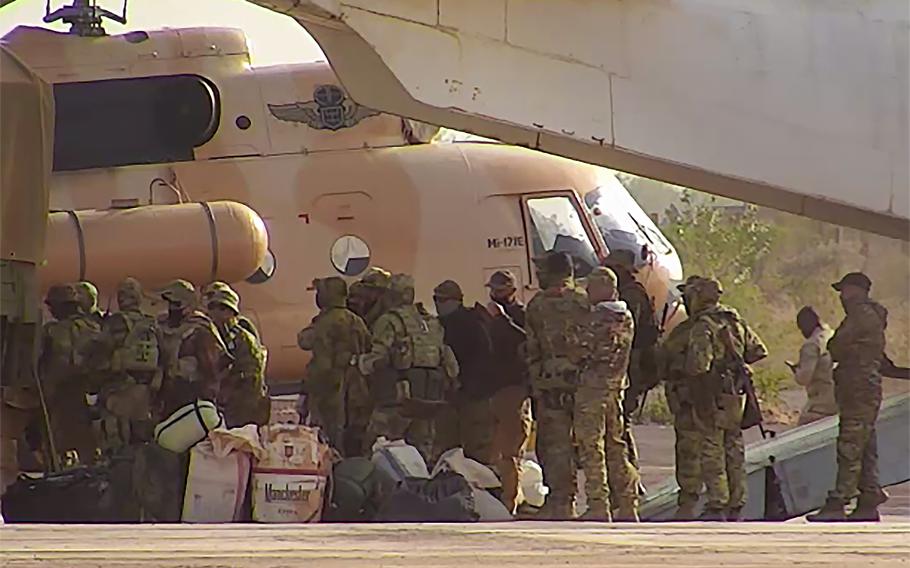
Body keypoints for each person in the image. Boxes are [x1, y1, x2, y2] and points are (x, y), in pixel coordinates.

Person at [682, 276, 767, 521]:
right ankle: (737, 502)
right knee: (734, 448)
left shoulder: (704, 325)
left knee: (711, 448)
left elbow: (698, 365)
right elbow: (758, 350)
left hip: (713, 393)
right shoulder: (735, 321)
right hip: (735, 393)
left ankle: (717, 503)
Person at [809, 272, 889, 522]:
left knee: (850, 444)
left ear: (856, 290)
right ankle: (868, 496)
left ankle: (839, 500)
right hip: (862, 387)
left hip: (858, 387)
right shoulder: (871, 316)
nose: (842, 296)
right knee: (865, 444)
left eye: (844, 290)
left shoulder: (860, 316)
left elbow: (836, 346)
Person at [358, 273, 459, 463]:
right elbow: (447, 358)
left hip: (399, 399)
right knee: (422, 450)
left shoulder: (389, 320)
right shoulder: (429, 321)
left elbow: (379, 356)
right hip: (428, 397)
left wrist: (359, 363)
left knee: (377, 446)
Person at [524, 252, 590, 520]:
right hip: (584, 385)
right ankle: (605, 502)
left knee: (554, 445)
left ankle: (561, 503)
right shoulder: (585, 301)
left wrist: (536, 384)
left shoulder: (538, 305)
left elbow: (532, 350)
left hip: (552, 386)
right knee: (592, 443)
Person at [579, 266, 639, 521]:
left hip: (592, 390)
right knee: (616, 446)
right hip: (616, 389)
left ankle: (598, 504)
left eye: (591, 287)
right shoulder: (625, 317)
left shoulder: (598, 319)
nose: (587, 292)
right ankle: (628, 504)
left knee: (591, 446)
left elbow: (582, 351)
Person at [82, 277, 161, 452]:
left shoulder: (115, 322)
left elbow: (99, 350)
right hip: (145, 392)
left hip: (118, 390)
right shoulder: (151, 322)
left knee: (116, 443)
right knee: (141, 441)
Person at [605, 250, 659, 494]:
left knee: (618, 427)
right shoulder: (631, 292)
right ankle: (630, 484)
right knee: (619, 426)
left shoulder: (630, 296)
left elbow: (626, 336)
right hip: (629, 371)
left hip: (630, 371)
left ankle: (629, 484)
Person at [298, 277, 370, 453]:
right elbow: (368, 346)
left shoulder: (324, 322)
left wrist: (308, 390)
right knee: (353, 435)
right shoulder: (356, 321)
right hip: (356, 388)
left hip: (328, 389)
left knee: (328, 439)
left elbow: (305, 342)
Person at [38, 283, 102, 465]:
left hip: (60, 398)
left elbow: (39, 362)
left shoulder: (51, 331)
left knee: (57, 450)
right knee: (89, 449)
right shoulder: (95, 327)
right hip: (89, 397)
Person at [433, 279, 496, 463]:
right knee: (449, 450)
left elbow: (483, 359)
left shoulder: (471, 324)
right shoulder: (441, 324)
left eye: (441, 300)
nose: (437, 304)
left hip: (474, 396)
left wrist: (466, 386)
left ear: (455, 300)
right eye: (435, 299)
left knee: (476, 450)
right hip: (454, 395)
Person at [483, 278, 531, 514]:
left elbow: (524, 340)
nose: (495, 294)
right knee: (494, 449)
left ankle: (510, 501)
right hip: (495, 388)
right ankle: (502, 497)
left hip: (514, 388)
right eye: (493, 290)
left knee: (510, 451)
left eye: (500, 290)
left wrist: (501, 319)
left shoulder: (520, 315)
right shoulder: (492, 317)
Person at [657, 278, 702, 520]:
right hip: (718, 399)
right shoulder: (731, 322)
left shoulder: (686, 331)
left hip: (690, 399)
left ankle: (689, 504)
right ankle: (726, 501)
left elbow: (663, 363)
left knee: (689, 452)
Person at [155, 279, 230, 419]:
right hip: (166, 395)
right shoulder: (162, 325)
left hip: (192, 396)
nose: (172, 308)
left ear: (188, 304)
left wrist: (209, 402)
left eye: (176, 304)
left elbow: (213, 369)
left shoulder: (200, 329)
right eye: (170, 303)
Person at [206, 284, 270, 429]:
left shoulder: (244, 340)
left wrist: (225, 389)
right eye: (212, 308)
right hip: (230, 405)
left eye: (219, 309)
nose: (213, 314)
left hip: (245, 408)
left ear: (230, 312)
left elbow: (251, 376)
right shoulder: (219, 336)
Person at [789, 306, 837, 426]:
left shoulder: (811, 345)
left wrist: (796, 370)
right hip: (841, 395)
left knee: (801, 432)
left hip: (822, 402)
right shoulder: (832, 335)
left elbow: (804, 378)